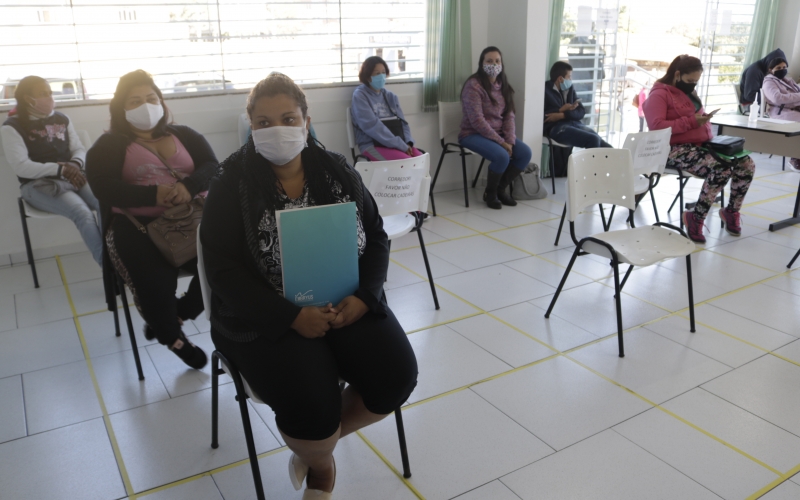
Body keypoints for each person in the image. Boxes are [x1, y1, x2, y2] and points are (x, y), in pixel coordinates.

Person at [201, 73, 417, 499]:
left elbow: (375, 236)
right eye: (263, 122)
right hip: (266, 316)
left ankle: (315, 448)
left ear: (306, 120)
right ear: (250, 125)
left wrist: (364, 297)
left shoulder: (338, 170)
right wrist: (290, 317)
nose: (276, 129)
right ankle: (321, 467)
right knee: (311, 404)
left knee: (397, 376)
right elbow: (221, 270)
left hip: (344, 301)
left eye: (287, 118)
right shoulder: (230, 182)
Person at [86, 70, 217, 368]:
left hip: (192, 219)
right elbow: (101, 186)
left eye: (150, 98)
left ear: (161, 101)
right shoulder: (109, 144)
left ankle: (175, 315)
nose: (145, 105)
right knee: (155, 282)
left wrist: (188, 185)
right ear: (121, 108)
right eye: (134, 101)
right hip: (137, 227)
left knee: (225, 262)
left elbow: (213, 166)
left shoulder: (184, 134)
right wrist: (152, 195)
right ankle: (172, 336)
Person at [644, 55, 756, 243]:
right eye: (690, 80)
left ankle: (731, 211)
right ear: (677, 74)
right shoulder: (659, 94)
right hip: (671, 149)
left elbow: (693, 117)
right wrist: (691, 122)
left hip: (699, 146)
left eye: (696, 81)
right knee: (721, 168)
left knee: (747, 164)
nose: (693, 85)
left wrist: (702, 119)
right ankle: (695, 218)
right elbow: (656, 127)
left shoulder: (688, 93)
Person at [2, 76, 103, 265]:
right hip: (38, 184)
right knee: (82, 213)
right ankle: (109, 267)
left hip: (73, 176)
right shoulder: (11, 127)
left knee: (104, 203)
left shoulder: (62, 119)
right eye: (42, 94)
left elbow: (79, 149)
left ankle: (118, 255)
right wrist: (61, 170)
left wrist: (73, 165)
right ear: (27, 98)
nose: (49, 98)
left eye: (49, 93)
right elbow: (21, 166)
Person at [459, 46, 532, 209]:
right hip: (472, 134)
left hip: (498, 135)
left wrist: (510, 140)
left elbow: (509, 116)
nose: (494, 64)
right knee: (502, 156)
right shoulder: (473, 86)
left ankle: (500, 189)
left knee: (525, 153)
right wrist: (501, 142)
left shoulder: (503, 85)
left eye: (497, 61)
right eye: (489, 61)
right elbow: (477, 121)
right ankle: (490, 194)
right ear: (482, 63)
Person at [350, 56, 421, 161]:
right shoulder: (360, 95)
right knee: (406, 163)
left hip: (398, 144)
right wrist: (400, 145)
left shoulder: (391, 96)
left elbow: (403, 124)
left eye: (383, 72)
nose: (382, 76)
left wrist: (408, 143)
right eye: (377, 73)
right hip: (371, 145)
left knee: (422, 161)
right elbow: (372, 126)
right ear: (368, 76)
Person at [544, 61, 613, 149]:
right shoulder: (545, 91)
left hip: (573, 123)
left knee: (606, 146)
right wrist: (560, 110)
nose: (570, 80)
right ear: (560, 79)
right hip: (556, 127)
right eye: (569, 77)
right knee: (593, 139)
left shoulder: (569, 89)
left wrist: (562, 114)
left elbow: (581, 111)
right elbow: (546, 116)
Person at [762, 57, 800, 170]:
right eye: (778, 68)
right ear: (770, 70)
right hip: (780, 112)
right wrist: (797, 97)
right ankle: (795, 159)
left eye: (784, 67)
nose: (782, 69)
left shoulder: (788, 80)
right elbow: (777, 98)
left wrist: (793, 98)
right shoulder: (768, 82)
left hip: (793, 109)